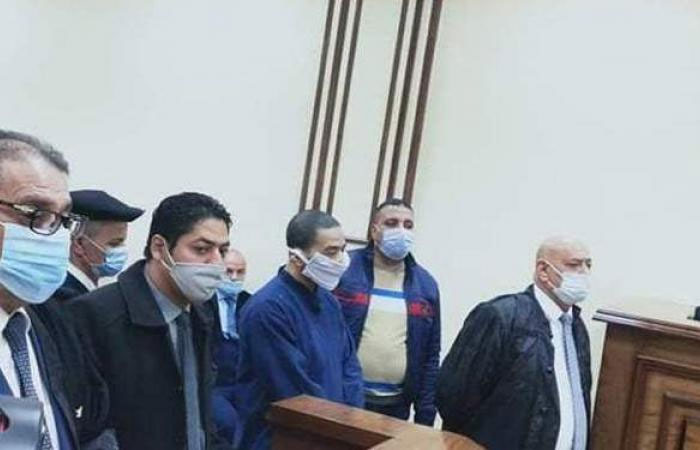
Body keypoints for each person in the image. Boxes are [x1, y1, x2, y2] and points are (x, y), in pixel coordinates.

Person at [69, 192, 232, 450]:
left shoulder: (202, 314)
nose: (216, 263)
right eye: (201, 249)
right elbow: (88, 427)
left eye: (222, 250)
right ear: (159, 248)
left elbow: (200, 410)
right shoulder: (95, 315)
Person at [437, 237, 593, 450]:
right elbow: (454, 399)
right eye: (574, 265)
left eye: (588, 265)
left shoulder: (576, 327)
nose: (584, 272)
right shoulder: (500, 316)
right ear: (543, 270)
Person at [235, 210, 364, 450]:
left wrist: (352, 422)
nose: (341, 260)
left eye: (342, 249)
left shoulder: (329, 301)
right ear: (296, 258)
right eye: (331, 252)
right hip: (280, 439)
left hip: (332, 434)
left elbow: (349, 366)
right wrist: (337, 427)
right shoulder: (267, 309)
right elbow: (294, 391)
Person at [0, 129, 84, 449]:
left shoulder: (55, 323)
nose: (54, 236)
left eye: (62, 220)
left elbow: (93, 423)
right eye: (35, 213)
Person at [334, 198, 440, 425]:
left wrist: (425, 417)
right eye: (392, 223)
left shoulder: (425, 285)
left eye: (408, 225)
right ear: (375, 231)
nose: (401, 231)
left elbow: (430, 356)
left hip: (395, 408)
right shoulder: (344, 270)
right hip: (342, 398)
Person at [57, 189, 144, 301]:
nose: (122, 250)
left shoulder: (86, 292)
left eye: (122, 242)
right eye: (114, 244)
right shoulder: (65, 297)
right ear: (79, 244)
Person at [210, 248, 251, 446]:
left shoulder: (250, 303)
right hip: (214, 384)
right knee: (229, 424)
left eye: (240, 272)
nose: (234, 277)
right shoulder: (203, 303)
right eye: (229, 271)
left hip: (242, 382)